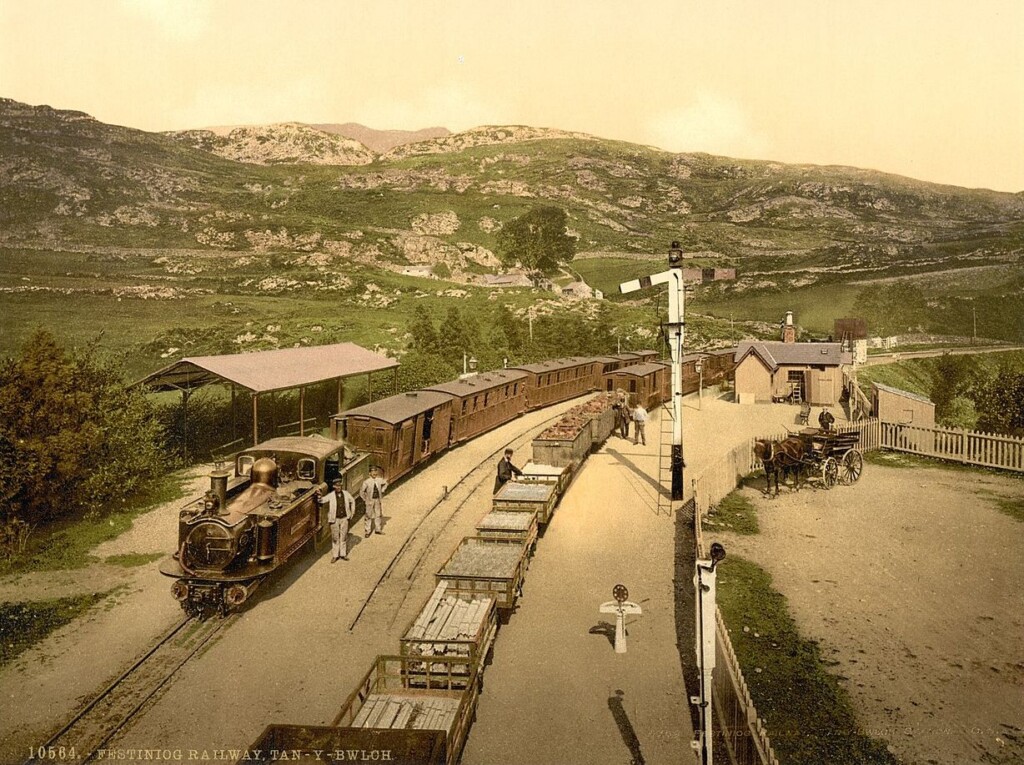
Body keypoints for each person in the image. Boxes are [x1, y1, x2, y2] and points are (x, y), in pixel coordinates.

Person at [318, 478, 355, 562]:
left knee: (343, 536)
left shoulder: (346, 494)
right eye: (337, 486)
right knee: (335, 538)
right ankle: (335, 555)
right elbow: (322, 500)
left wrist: (352, 513)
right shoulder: (331, 495)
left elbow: (352, 501)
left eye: (340, 486)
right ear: (334, 486)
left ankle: (343, 554)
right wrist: (319, 496)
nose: (339, 487)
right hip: (334, 519)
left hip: (344, 518)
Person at [359, 465, 388, 537]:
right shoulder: (366, 482)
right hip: (369, 501)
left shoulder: (379, 480)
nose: (375, 473)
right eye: (373, 472)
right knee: (368, 515)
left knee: (378, 514)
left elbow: (386, 483)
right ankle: (367, 531)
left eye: (375, 471)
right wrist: (365, 499)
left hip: (377, 500)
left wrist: (382, 490)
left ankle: (378, 529)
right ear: (369, 473)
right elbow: (361, 492)